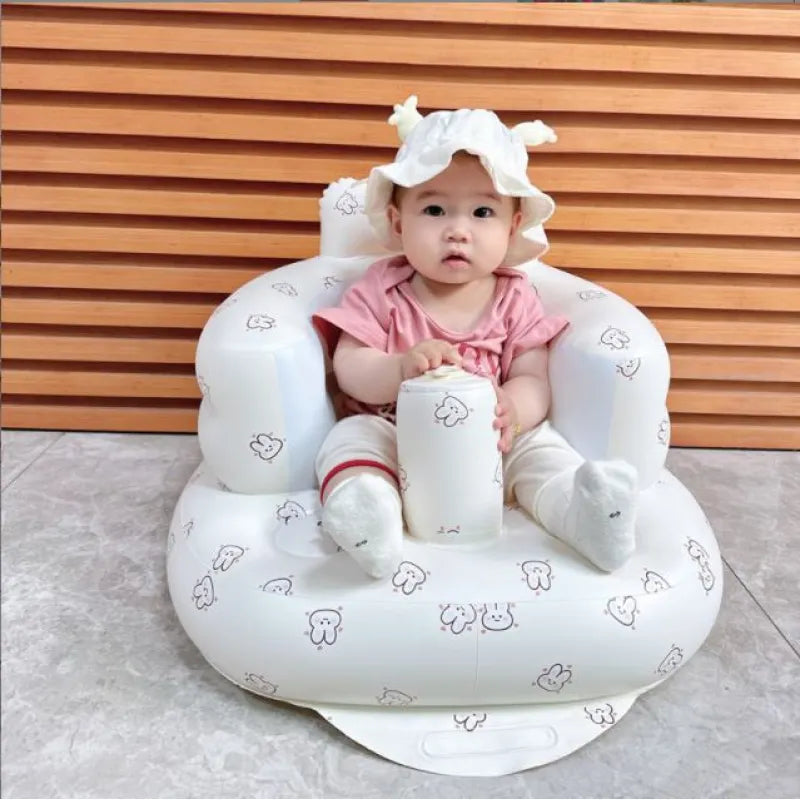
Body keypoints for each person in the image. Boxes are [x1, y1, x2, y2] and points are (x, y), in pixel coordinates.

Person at [312, 98, 638, 578]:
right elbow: (351, 366)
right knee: (351, 438)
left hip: (490, 442)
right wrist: (398, 367)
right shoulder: (380, 289)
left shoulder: (514, 296)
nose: (458, 231)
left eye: (483, 212)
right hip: (396, 433)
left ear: (513, 226)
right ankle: (370, 513)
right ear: (399, 222)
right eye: (436, 209)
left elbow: (532, 375)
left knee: (542, 451)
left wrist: (513, 408)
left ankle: (586, 515)